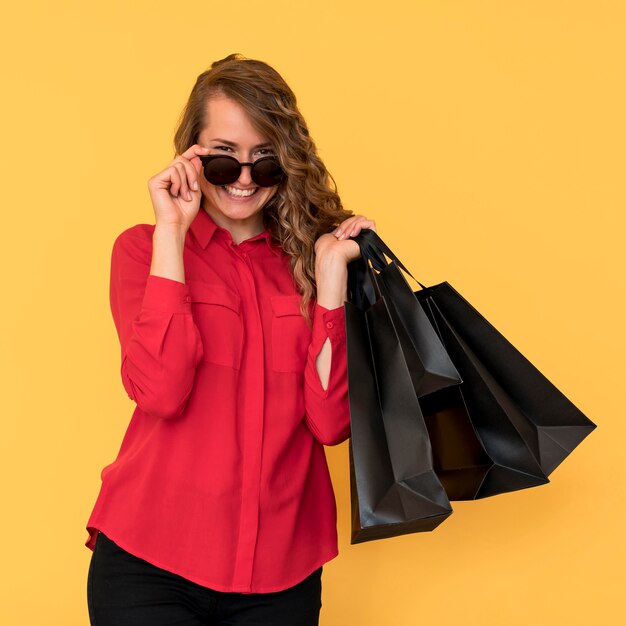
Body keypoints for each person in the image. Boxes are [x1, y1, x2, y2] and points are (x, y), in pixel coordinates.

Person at [85, 53, 378, 626]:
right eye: (223, 161)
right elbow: (162, 391)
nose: (244, 181)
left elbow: (329, 423)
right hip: (150, 561)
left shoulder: (313, 266)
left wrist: (331, 282)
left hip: (281, 572)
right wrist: (173, 228)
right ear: (190, 155)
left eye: (264, 163)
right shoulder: (142, 251)